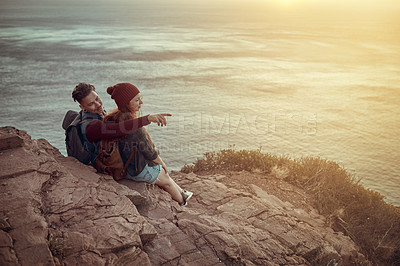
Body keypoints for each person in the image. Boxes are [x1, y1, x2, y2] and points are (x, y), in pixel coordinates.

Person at [104, 82, 193, 206]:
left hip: (124, 166)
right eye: (137, 100)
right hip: (136, 171)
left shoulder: (112, 118)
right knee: (165, 178)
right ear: (126, 103)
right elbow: (150, 153)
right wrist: (162, 164)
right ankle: (182, 202)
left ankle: (183, 192)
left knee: (163, 174)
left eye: (141, 99)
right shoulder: (135, 128)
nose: (141, 103)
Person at [71, 83, 171, 164]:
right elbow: (118, 128)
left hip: (110, 155)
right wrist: (148, 119)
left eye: (97, 99)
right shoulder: (90, 126)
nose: (98, 104)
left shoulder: (99, 112)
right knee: (138, 133)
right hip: (103, 163)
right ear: (82, 108)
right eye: (91, 104)